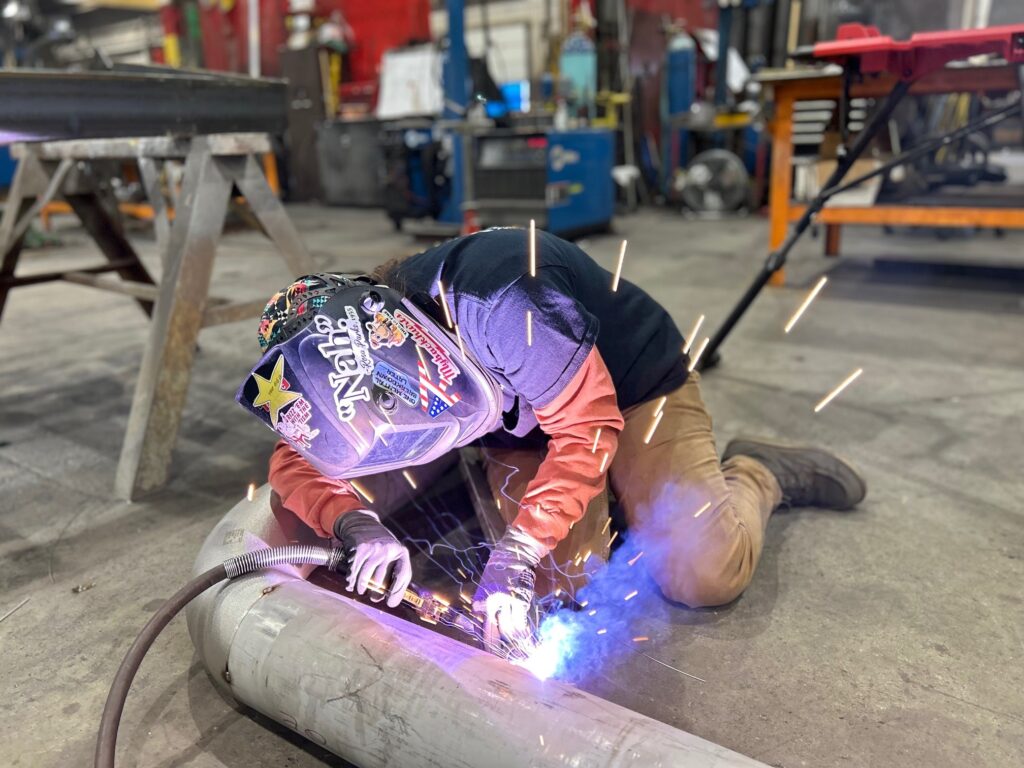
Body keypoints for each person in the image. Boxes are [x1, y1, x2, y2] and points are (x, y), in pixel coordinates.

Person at [236, 228, 866, 657]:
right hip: (519, 420)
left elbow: (588, 429)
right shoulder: (347, 379)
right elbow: (293, 462)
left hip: (629, 389)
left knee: (703, 574)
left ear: (402, 347)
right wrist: (352, 524)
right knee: (558, 585)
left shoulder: (508, 301)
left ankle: (756, 471)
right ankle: (600, 503)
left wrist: (516, 548)